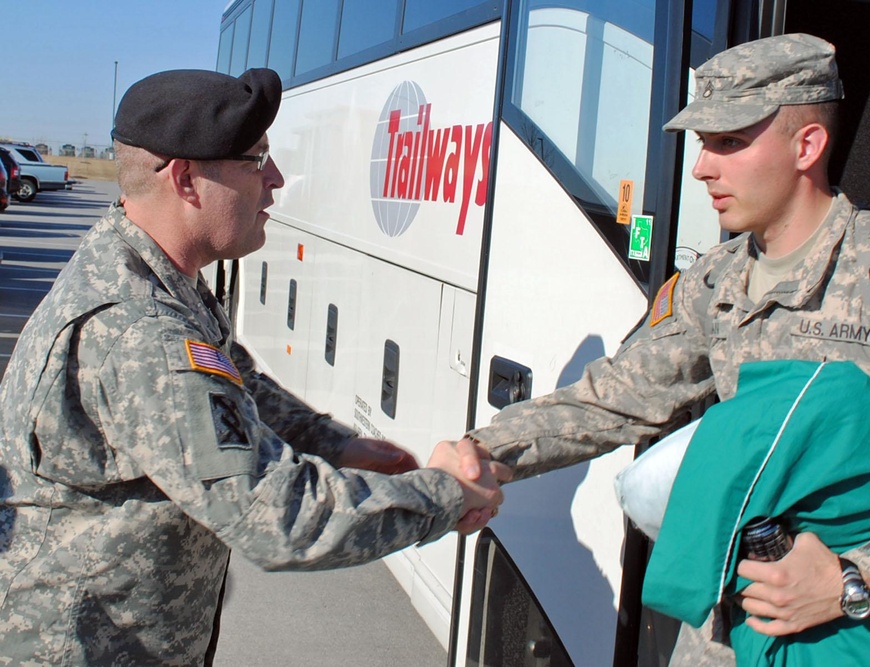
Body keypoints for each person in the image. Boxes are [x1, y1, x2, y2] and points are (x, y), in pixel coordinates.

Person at [447, 33, 870, 664]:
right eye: (704, 143)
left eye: (729, 142)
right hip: (728, 638)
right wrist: (483, 452)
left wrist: (857, 580)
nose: (702, 166)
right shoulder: (716, 282)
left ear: (807, 145)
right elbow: (614, 398)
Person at [0, 67, 507, 665]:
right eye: (255, 161)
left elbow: (236, 382)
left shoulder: (148, 274)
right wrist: (446, 492)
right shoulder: (140, 331)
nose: (277, 181)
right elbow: (278, 517)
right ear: (186, 179)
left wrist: (335, 444)